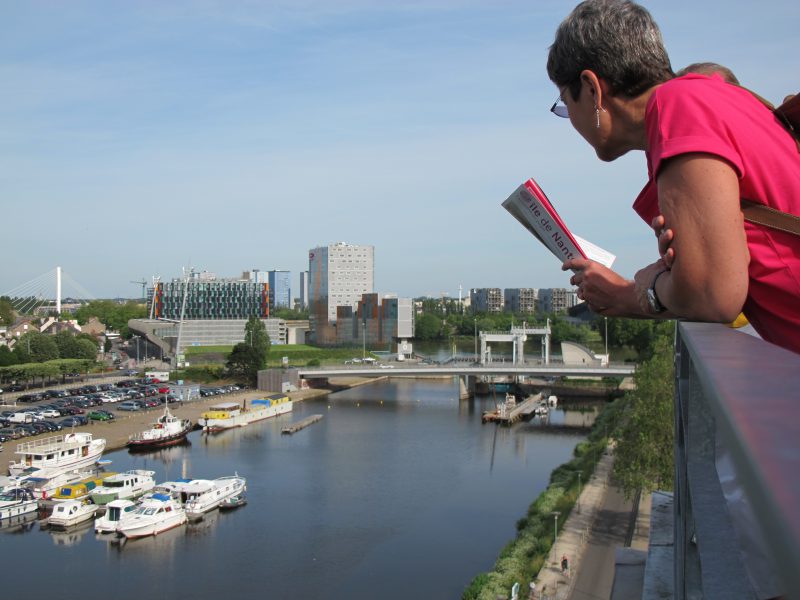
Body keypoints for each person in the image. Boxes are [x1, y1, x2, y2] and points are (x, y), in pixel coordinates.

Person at [546, 0, 800, 355]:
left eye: (564, 102)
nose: (569, 118)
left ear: (592, 89)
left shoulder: (677, 106)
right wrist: (678, 276)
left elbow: (713, 295)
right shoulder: (712, 93)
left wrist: (638, 289)